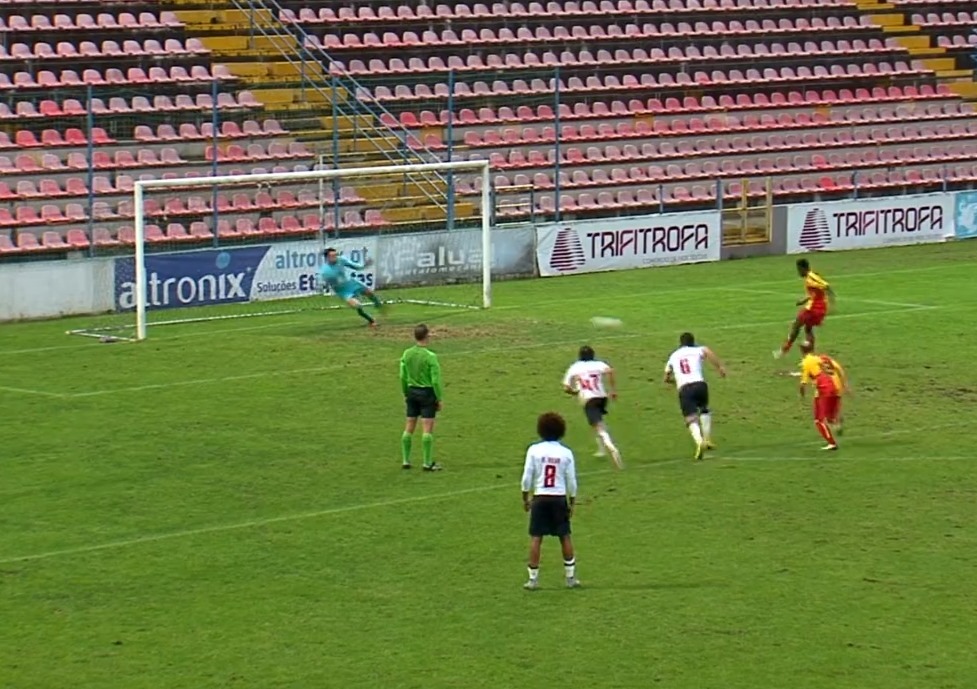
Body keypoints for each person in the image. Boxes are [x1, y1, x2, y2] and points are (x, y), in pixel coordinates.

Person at [521, 411, 580, 590]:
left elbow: (526, 478)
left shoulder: (534, 450)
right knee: (564, 536)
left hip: (540, 497)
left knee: (536, 537)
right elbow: (572, 481)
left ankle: (532, 579)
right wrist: (572, 501)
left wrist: (525, 498)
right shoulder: (566, 453)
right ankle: (570, 578)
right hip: (559, 498)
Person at [663, 332, 727, 461]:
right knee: (704, 409)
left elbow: (666, 376)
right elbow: (708, 352)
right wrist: (720, 367)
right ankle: (707, 439)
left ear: (680, 343)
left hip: (685, 388)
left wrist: (671, 381)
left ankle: (699, 442)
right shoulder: (698, 349)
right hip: (700, 385)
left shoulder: (674, 355)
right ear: (693, 342)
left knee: (690, 418)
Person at [561, 345, 622, 469]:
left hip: (589, 399)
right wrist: (613, 390)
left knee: (598, 427)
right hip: (602, 397)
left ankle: (611, 448)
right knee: (599, 422)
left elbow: (566, 387)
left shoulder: (575, 367)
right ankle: (601, 450)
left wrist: (574, 392)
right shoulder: (598, 364)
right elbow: (610, 371)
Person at [399, 324, 443, 471]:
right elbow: (435, 381)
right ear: (427, 336)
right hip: (427, 393)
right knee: (427, 428)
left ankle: (406, 460)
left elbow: (402, 376)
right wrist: (439, 398)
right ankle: (427, 463)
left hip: (411, 391)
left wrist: (406, 392)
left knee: (409, 426)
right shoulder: (430, 357)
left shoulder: (407, 354)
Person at [775, 258, 835, 359]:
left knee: (796, 324)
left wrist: (832, 303)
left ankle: (784, 349)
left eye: (798, 270)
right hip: (818, 308)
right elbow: (815, 292)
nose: (798, 272)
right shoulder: (809, 278)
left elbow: (826, 286)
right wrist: (803, 300)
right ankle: (811, 355)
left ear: (802, 268)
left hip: (814, 308)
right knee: (808, 329)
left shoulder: (811, 277)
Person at [799, 341, 850, 451]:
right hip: (832, 386)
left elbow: (803, 383)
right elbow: (830, 370)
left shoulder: (806, 362)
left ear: (801, 351)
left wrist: (802, 394)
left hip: (823, 390)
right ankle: (836, 424)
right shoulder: (819, 358)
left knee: (819, 420)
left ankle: (831, 443)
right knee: (829, 417)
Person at [318, 248, 384, 327]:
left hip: (351, 283)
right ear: (327, 258)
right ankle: (371, 320)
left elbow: (355, 266)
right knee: (357, 305)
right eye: (332, 256)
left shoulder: (341, 260)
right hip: (342, 291)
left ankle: (378, 305)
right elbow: (325, 283)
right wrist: (326, 284)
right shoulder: (325, 271)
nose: (335, 257)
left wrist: (364, 265)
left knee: (370, 293)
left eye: (336, 255)